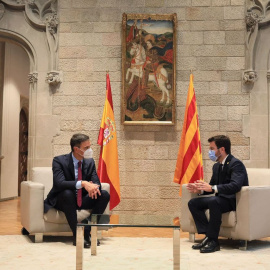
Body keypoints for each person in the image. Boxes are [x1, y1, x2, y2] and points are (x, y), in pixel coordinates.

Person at [44, 133, 110, 248]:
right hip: (64, 200)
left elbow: (96, 183)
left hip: (82, 199)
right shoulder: (59, 161)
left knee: (104, 194)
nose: (90, 150)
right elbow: (59, 184)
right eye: (86, 148)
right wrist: (83, 183)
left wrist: (93, 187)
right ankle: (76, 234)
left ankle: (86, 230)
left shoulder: (89, 162)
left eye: (90, 147)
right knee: (67, 193)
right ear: (76, 149)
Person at [187, 135, 248, 253]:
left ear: (222, 150)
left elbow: (235, 186)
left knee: (214, 201)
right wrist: (200, 190)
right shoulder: (216, 166)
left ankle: (214, 242)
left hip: (233, 200)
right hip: (220, 199)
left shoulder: (236, 164)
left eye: (212, 149)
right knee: (193, 203)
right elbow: (212, 186)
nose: (210, 152)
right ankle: (209, 237)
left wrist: (212, 188)